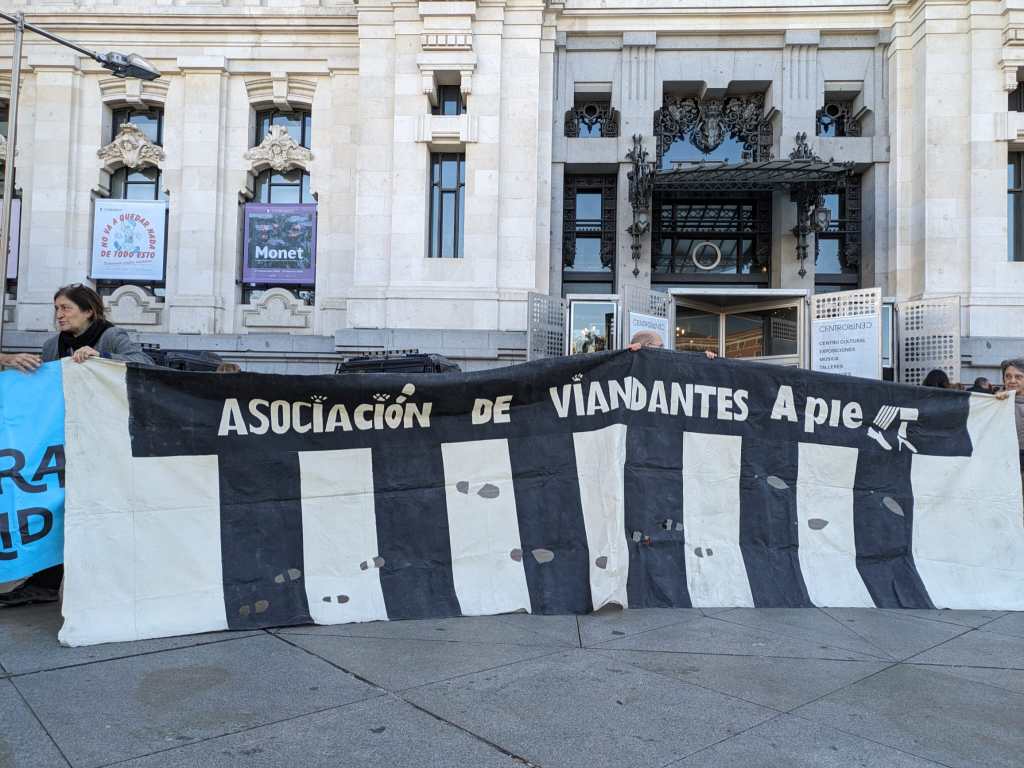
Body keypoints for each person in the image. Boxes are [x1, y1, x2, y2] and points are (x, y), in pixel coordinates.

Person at [1000, 358, 1024, 493]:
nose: (1012, 380)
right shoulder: (995, 403)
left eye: (1018, 377)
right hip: (1005, 459)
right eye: (1008, 376)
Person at [628, 330, 717, 358]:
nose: (663, 349)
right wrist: (628, 352)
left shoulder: (667, 363)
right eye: (660, 346)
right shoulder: (627, 364)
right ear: (647, 346)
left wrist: (703, 358)